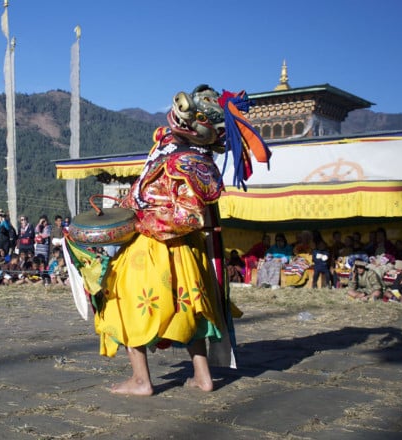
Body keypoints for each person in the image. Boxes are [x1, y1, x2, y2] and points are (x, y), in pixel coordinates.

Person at [65, 85, 270, 395]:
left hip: (157, 246)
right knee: (186, 310)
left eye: (197, 116)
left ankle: (141, 380)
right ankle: (202, 377)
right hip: (181, 254)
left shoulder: (192, 164)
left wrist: (139, 222)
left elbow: (189, 217)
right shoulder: (171, 145)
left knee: (124, 302)